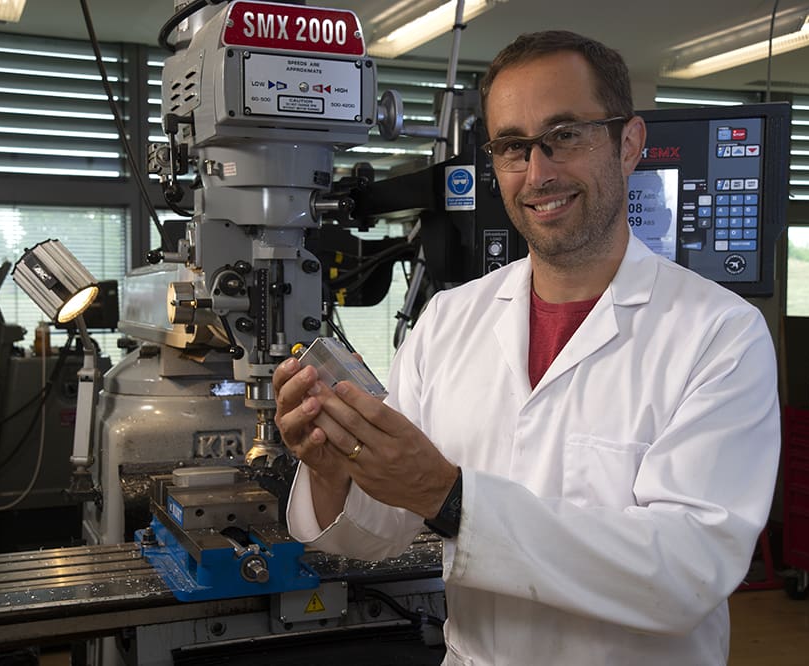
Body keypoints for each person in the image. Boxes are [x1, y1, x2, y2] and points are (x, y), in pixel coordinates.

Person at [273, 30, 779, 666]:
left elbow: (688, 572)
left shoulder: (718, 335)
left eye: (564, 134)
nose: (538, 173)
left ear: (629, 144)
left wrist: (452, 499)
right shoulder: (449, 320)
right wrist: (332, 465)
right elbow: (381, 529)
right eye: (513, 146)